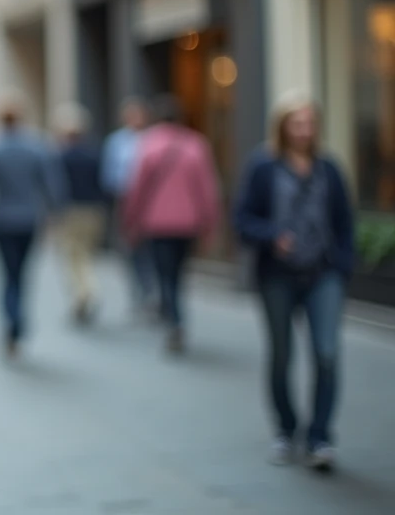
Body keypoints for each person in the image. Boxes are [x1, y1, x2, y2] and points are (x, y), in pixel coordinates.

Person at [234, 93, 354, 472]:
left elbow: (344, 222)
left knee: (327, 353)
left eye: (309, 123)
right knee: (282, 355)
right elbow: (242, 219)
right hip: (278, 276)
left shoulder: (329, 169)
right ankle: (286, 430)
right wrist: (272, 236)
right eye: (296, 123)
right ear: (283, 127)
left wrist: (343, 264)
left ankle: (320, 436)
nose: (304, 130)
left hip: (323, 274)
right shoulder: (264, 167)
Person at [0, 97, 66, 357]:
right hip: (29, 219)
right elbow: (52, 185)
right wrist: (56, 213)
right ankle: (17, 318)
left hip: (2, 220)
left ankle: (12, 320)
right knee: (21, 274)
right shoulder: (37, 147)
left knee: (8, 274)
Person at [121, 95, 220, 355]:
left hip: (157, 223)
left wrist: (130, 220)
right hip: (188, 224)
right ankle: (175, 314)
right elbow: (208, 190)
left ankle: (173, 318)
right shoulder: (196, 145)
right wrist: (210, 223)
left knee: (164, 273)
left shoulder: (148, 144)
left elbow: (137, 189)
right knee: (178, 272)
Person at [102, 97, 156, 318]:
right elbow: (110, 174)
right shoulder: (116, 142)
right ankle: (140, 292)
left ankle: (152, 290)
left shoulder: (153, 140)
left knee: (151, 248)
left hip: (151, 202)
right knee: (131, 248)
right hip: (125, 199)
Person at [53, 103, 106, 325]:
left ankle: (84, 293)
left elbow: (56, 187)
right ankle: (86, 292)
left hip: (71, 211)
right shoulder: (94, 154)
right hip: (94, 210)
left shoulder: (61, 157)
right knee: (85, 254)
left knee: (73, 256)